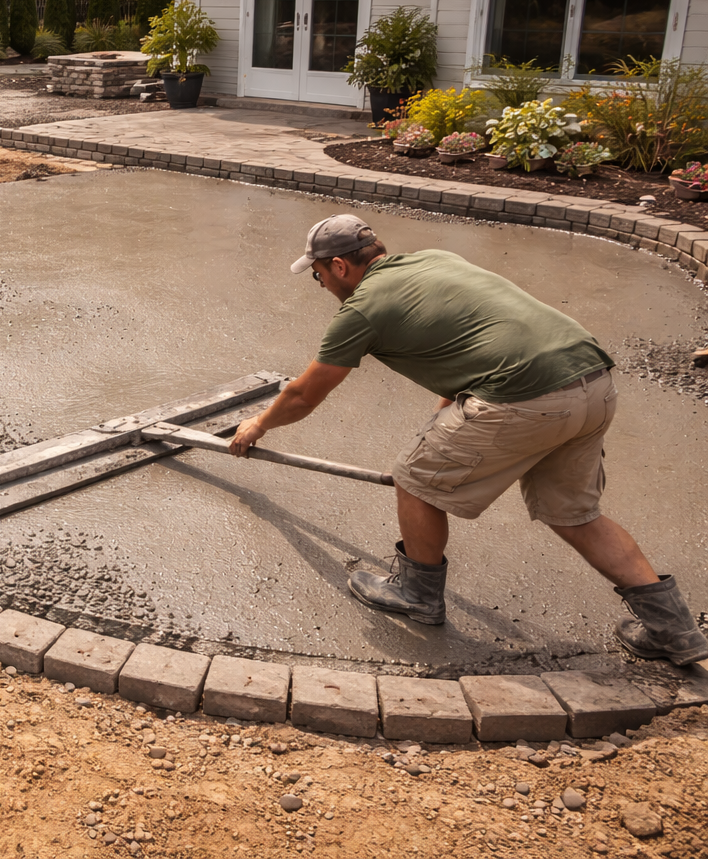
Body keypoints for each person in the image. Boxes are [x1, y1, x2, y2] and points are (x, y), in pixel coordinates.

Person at [227, 213, 708, 666]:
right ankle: (673, 629)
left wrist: (257, 425)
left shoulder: (363, 309)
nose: (322, 285)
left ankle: (416, 594)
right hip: (592, 380)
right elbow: (473, 347)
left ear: (338, 266)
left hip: (526, 397)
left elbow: (303, 394)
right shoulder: (436, 260)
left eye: (318, 275)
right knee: (576, 514)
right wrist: (444, 424)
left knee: (414, 478)